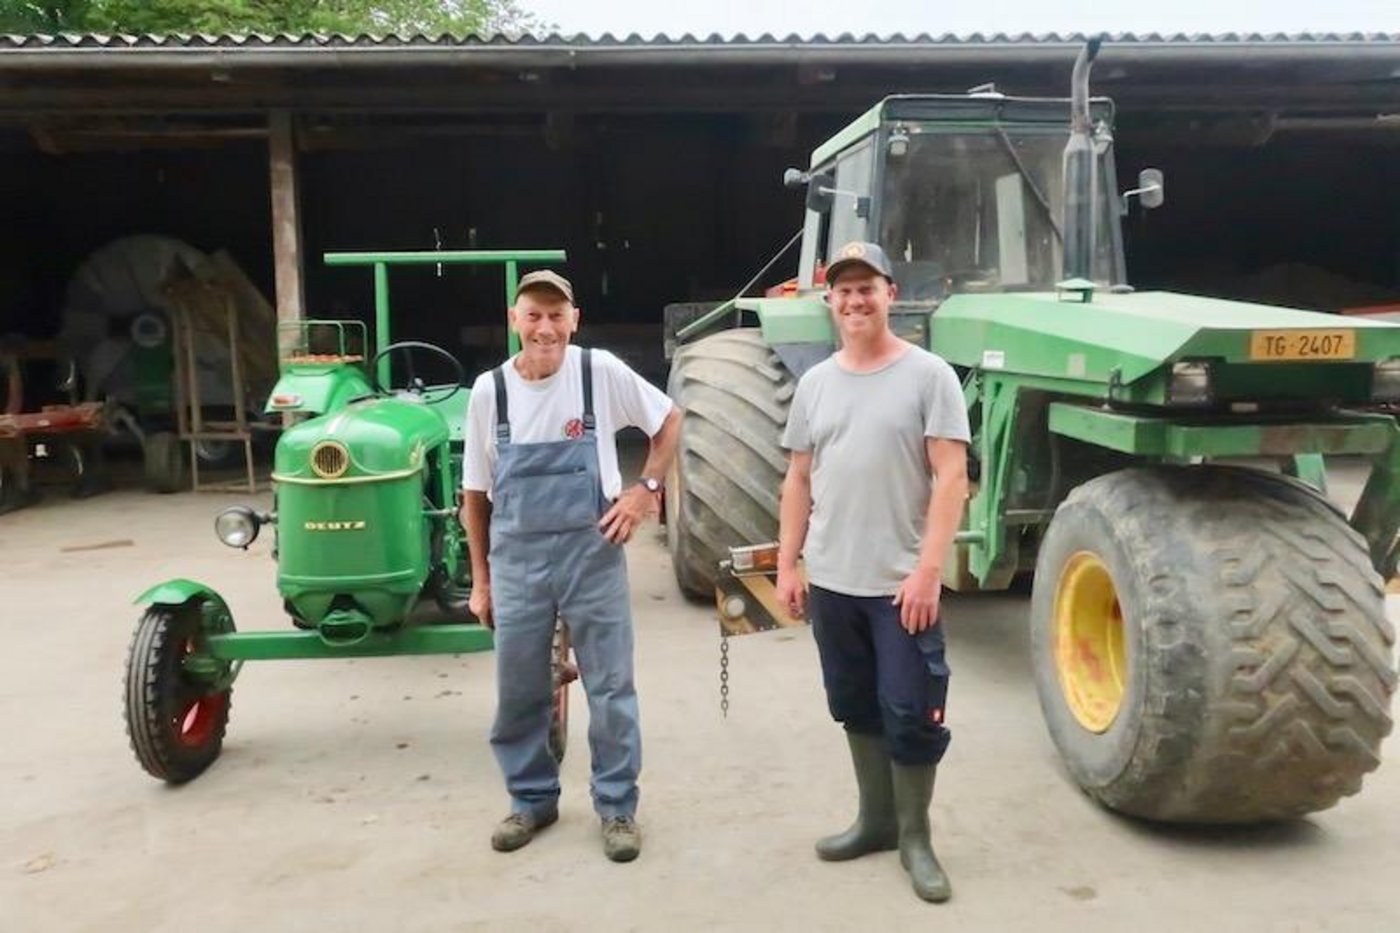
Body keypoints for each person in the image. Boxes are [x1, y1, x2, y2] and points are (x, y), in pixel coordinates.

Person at [459, 269, 682, 863]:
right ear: (514, 320)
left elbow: (670, 421)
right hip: (517, 558)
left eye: (557, 315)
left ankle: (616, 808)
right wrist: (481, 581)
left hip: (592, 554)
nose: (545, 328)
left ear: (574, 320)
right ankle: (532, 800)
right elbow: (475, 496)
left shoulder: (598, 372)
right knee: (519, 688)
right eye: (533, 315)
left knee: (610, 686)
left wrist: (645, 491)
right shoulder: (490, 392)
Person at [775, 241, 970, 903]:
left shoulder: (929, 376)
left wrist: (928, 572)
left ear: (891, 293)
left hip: (899, 585)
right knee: (855, 706)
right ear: (829, 301)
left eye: (868, 288)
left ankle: (916, 838)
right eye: (843, 290)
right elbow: (799, 479)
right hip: (833, 582)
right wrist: (788, 563)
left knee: (912, 713)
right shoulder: (816, 384)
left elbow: (951, 477)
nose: (856, 301)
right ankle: (876, 821)